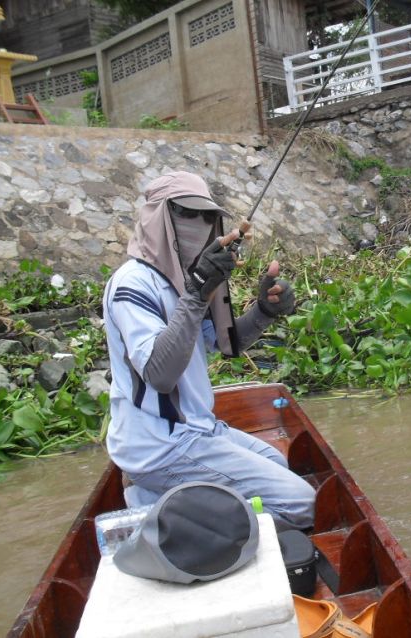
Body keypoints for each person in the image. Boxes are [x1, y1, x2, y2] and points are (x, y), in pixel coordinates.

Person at [102, 171, 315, 531]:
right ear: (159, 219)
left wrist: (264, 311)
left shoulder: (186, 279)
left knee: (278, 466)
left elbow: (225, 344)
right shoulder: (132, 284)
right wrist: (198, 291)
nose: (198, 225)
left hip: (198, 430)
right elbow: (159, 374)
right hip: (160, 443)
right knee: (301, 504)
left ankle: (156, 498)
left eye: (205, 217)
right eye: (186, 214)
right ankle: (160, 516)